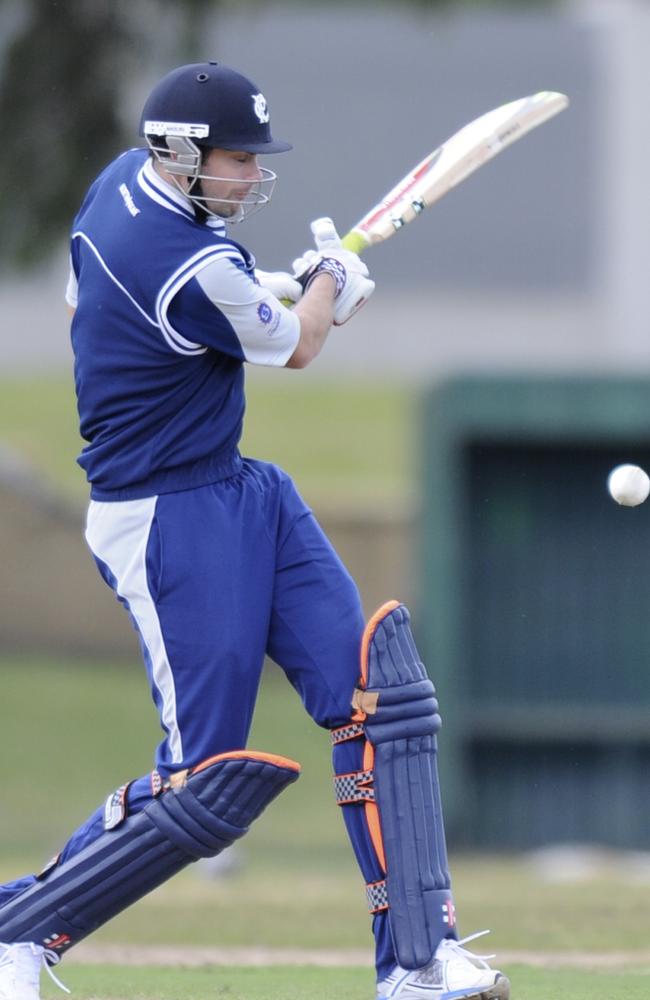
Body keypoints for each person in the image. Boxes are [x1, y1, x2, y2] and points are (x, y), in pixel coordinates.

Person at [0, 62, 510, 1000]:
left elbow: (201, 306)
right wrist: (322, 291)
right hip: (163, 518)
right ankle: (17, 931)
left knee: (381, 696)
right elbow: (300, 344)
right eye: (236, 159)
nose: (248, 176)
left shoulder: (126, 182)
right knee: (206, 787)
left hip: (239, 488)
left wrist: (297, 284)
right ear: (182, 153)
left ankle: (416, 963)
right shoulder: (178, 259)